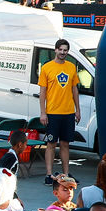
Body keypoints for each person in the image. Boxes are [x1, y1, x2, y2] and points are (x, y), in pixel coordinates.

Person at [39, 38, 80, 184]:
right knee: (51, 144)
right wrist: (43, 112)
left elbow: (74, 89)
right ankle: (49, 175)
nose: (63, 52)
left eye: (65, 50)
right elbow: (42, 92)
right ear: (55, 50)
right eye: (60, 49)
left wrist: (77, 110)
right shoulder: (47, 68)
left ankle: (66, 174)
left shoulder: (71, 67)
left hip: (68, 112)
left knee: (65, 144)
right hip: (52, 113)